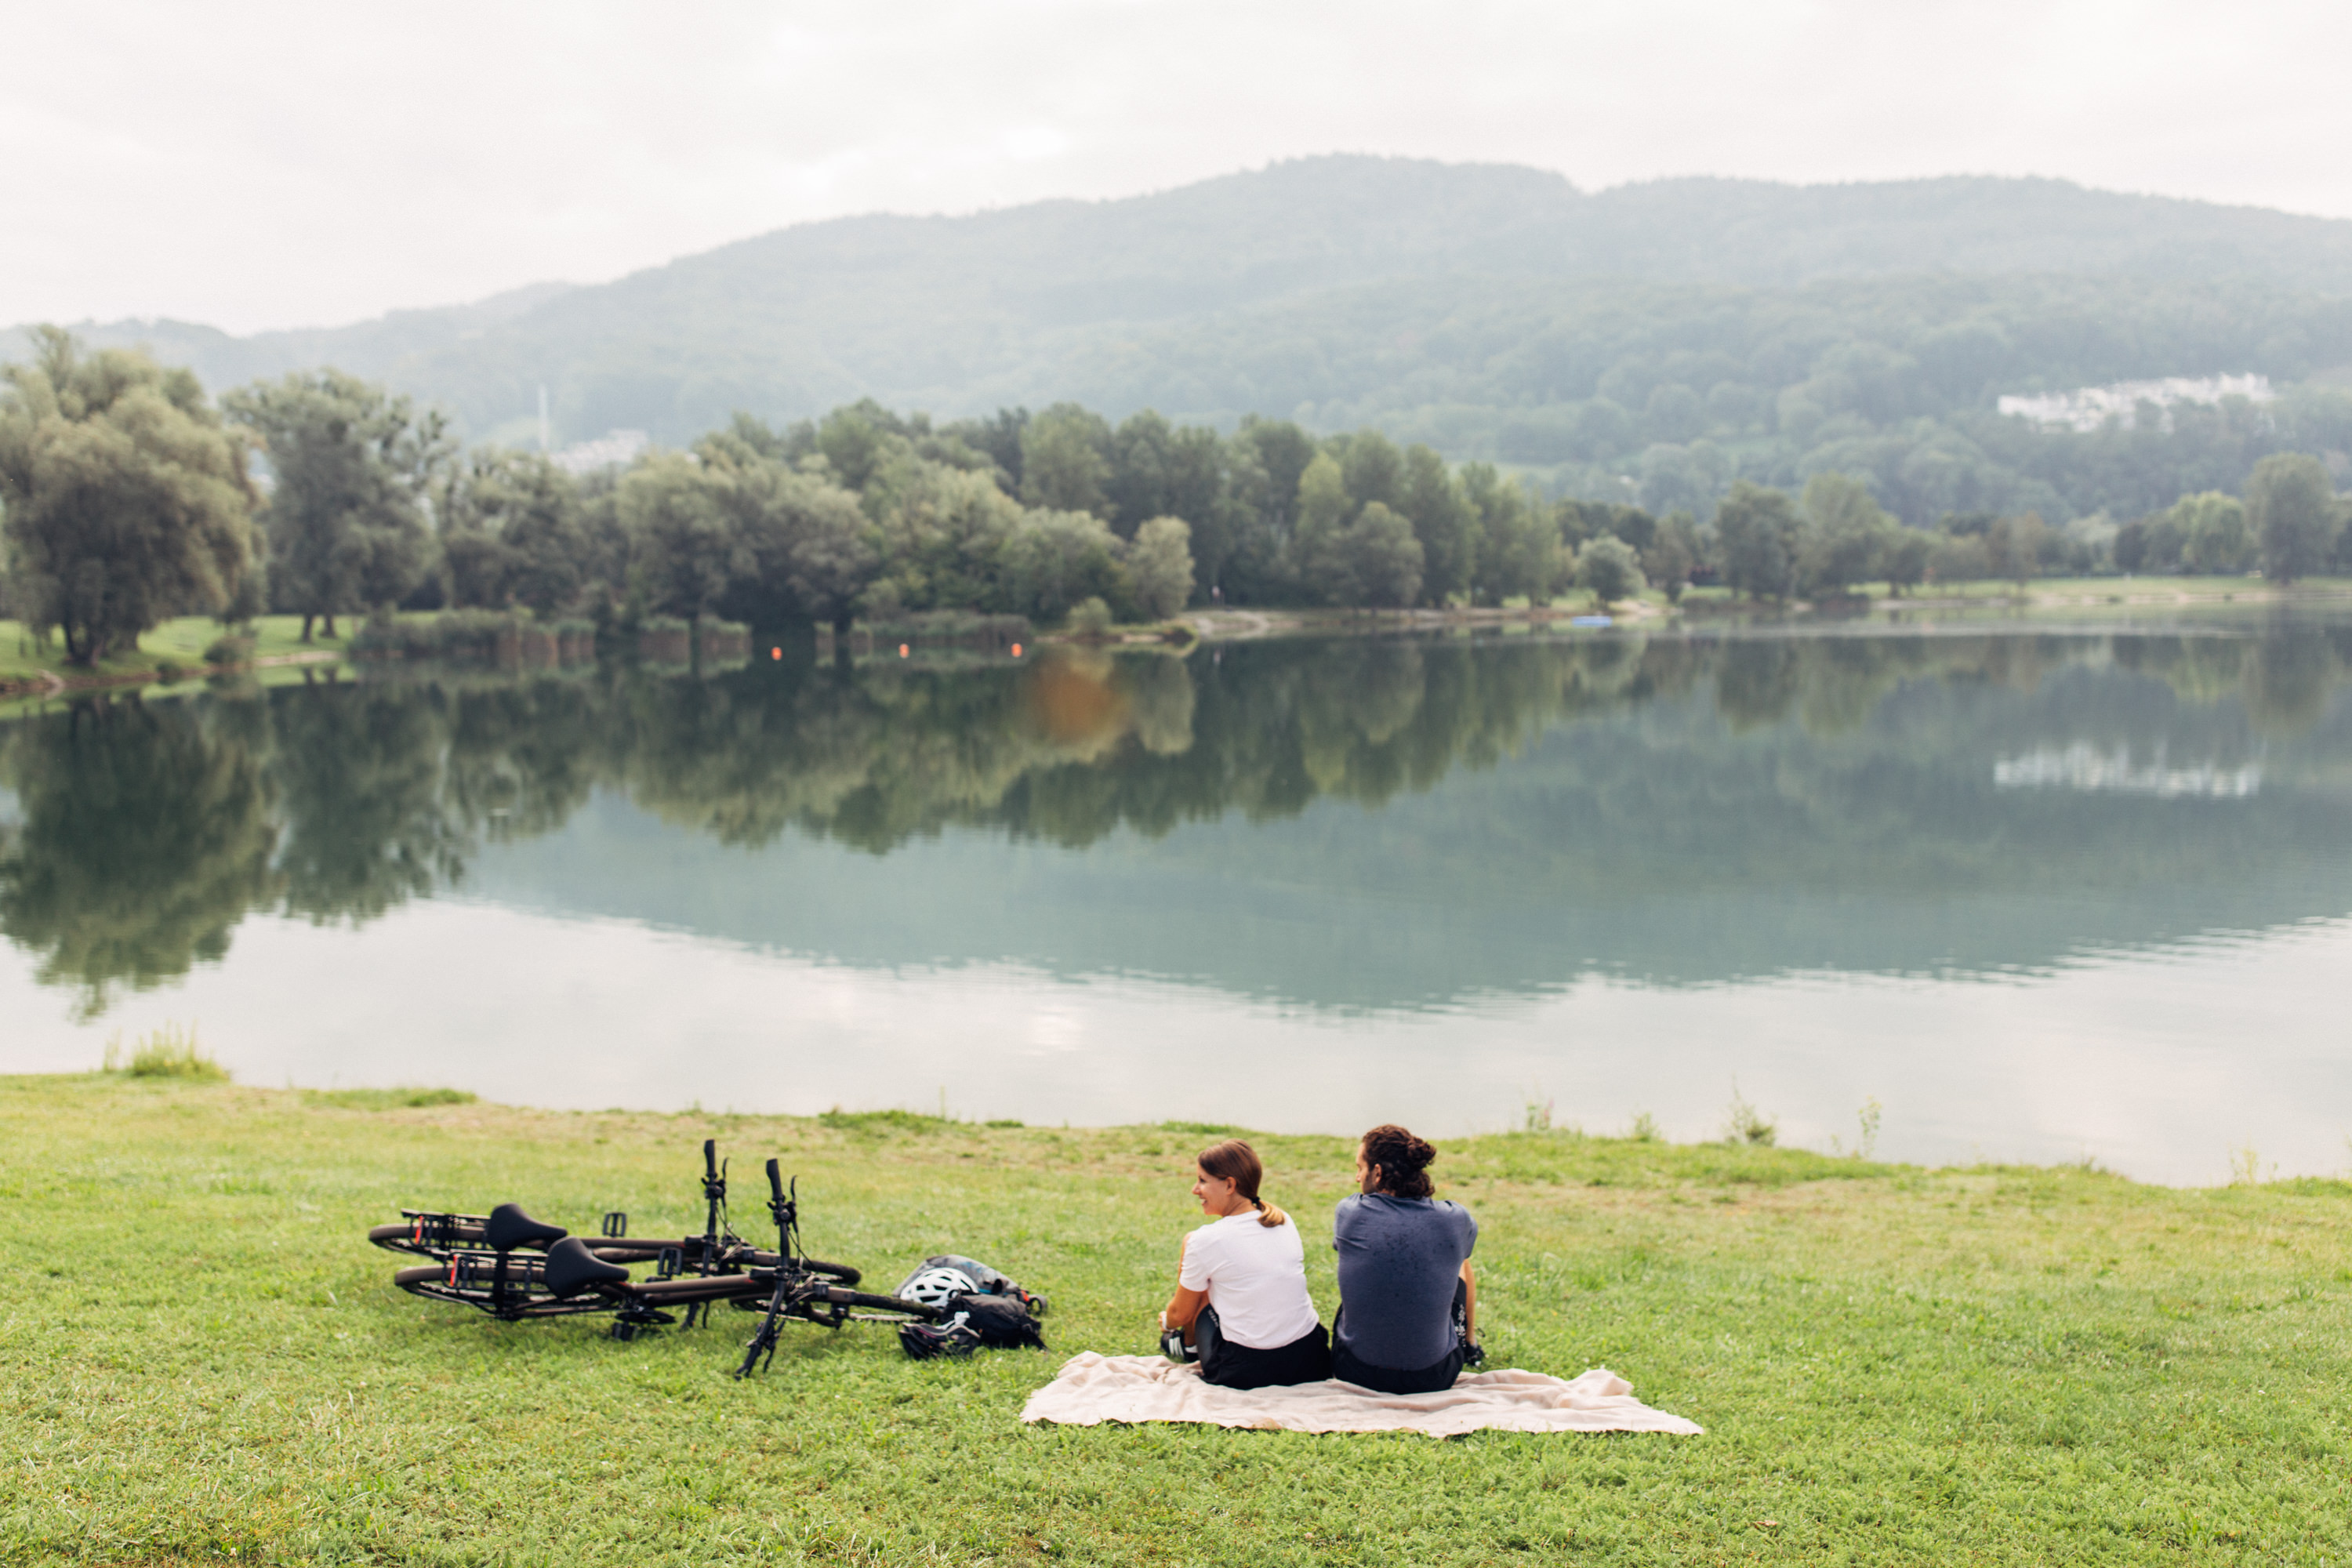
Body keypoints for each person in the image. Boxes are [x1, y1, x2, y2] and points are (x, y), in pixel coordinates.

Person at [1160, 1139, 1330, 1388]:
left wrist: (1166, 1323)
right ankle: (1188, 1343)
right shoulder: (1284, 1221)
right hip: (1309, 1361)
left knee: (1196, 1256)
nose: (1195, 1190)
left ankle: (1187, 1345)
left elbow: (1180, 1313)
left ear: (1230, 1185)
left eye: (1203, 1181)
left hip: (1243, 1369)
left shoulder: (1205, 1240)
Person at [1330, 1123, 1479, 1394]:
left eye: (1360, 1168)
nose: (1356, 1177)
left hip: (1356, 1372)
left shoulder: (1349, 1214)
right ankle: (1471, 1345)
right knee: (1460, 1260)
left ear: (1377, 1173)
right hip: (1433, 1377)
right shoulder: (1455, 1219)